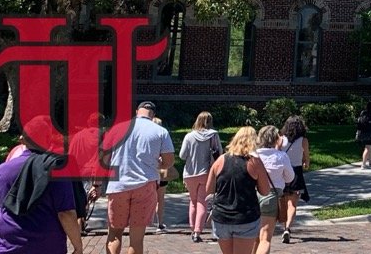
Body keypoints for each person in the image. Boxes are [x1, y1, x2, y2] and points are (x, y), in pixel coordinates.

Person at [0, 116, 83, 254]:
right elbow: (66, 213)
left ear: (23, 140)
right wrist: (78, 246)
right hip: (47, 248)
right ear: (48, 139)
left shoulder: (1, 171)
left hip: (9, 248)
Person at [102, 101, 174, 254]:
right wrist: (157, 164)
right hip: (145, 185)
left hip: (118, 185)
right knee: (136, 239)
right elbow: (169, 162)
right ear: (153, 115)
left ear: (136, 112)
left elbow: (104, 159)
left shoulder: (117, 129)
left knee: (114, 234)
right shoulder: (160, 131)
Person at [205, 127, 271, 254]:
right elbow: (265, 191)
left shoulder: (220, 160)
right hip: (246, 216)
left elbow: (209, 189)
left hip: (221, 217)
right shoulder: (254, 162)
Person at [179, 111, 223, 243]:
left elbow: (182, 155)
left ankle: (193, 228)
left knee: (192, 201)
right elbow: (219, 153)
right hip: (206, 173)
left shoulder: (189, 136)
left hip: (189, 174)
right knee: (202, 202)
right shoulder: (213, 135)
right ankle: (198, 231)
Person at [253, 126, 295, 254]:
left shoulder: (254, 155)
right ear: (276, 139)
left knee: (254, 236)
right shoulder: (281, 156)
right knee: (265, 237)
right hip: (271, 195)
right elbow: (290, 178)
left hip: (253, 195)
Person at [277, 116, 310, 244]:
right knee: (293, 204)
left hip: (283, 172)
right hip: (296, 173)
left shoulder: (281, 139)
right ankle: (288, 228)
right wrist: (305, 163)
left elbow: (276, 154)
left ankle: (285, 227)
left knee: (284, 202)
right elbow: (307, 159)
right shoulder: (303, 141)